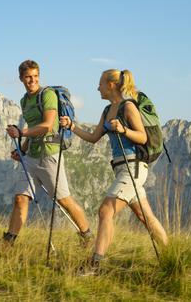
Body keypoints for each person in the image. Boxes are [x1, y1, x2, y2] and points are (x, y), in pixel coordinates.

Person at [59, 69, 168, 274]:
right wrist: (71, 126)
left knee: (105, 211)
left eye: (100, 83)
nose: (97, 87)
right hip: (121, 169)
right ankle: (170, 256)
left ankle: (95, 265)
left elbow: (143, 137)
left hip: (133, 167)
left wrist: (123, 130)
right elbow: (93, 137)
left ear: (110, 85)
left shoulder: (128, 107)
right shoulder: (107, 110)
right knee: (146, 218)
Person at [2, 60, 92, 245]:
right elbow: (33, 127)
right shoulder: (24, 101)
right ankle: (8, 242)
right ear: (21, 78)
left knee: (63, 200)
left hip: (50, 154)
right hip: (32, 156)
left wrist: (21, 132)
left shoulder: (48, 94)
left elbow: (47, 125)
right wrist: (22, 149)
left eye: (35, 76)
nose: (32, 80)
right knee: (20, 198)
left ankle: (87, 235)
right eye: (28, 77)